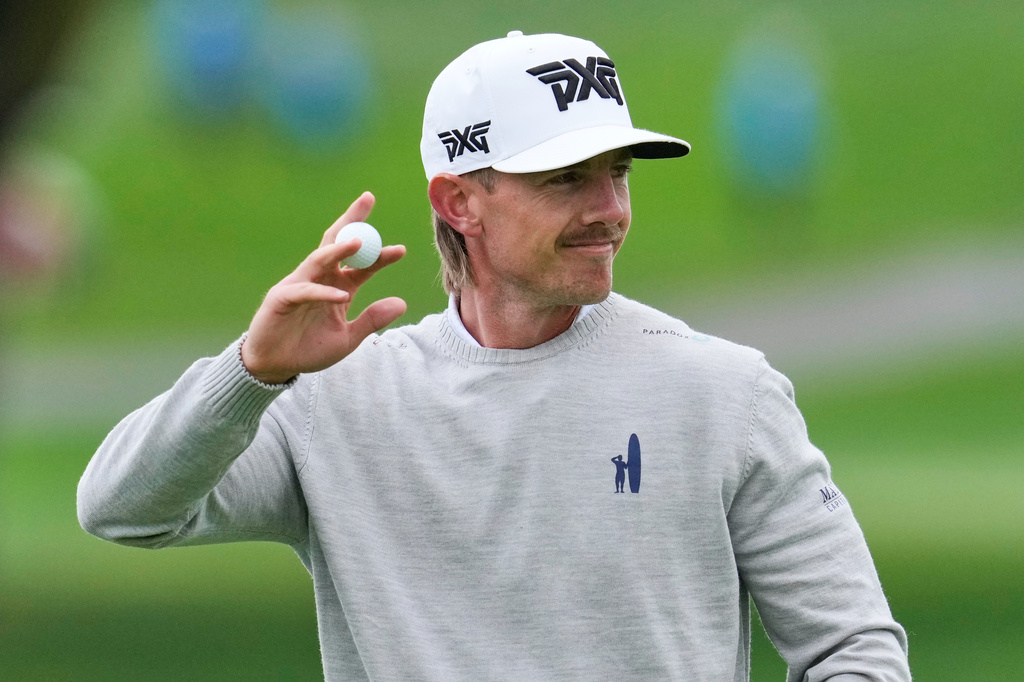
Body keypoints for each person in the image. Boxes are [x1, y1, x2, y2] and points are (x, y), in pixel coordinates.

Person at [78, 31, 911, 681]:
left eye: (618, 173)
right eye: (565, 180)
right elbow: (123, 508)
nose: (609, 211)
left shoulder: (725, 393)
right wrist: (253, 373)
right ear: (460, 202)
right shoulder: (336, 400)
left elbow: (855, 651)